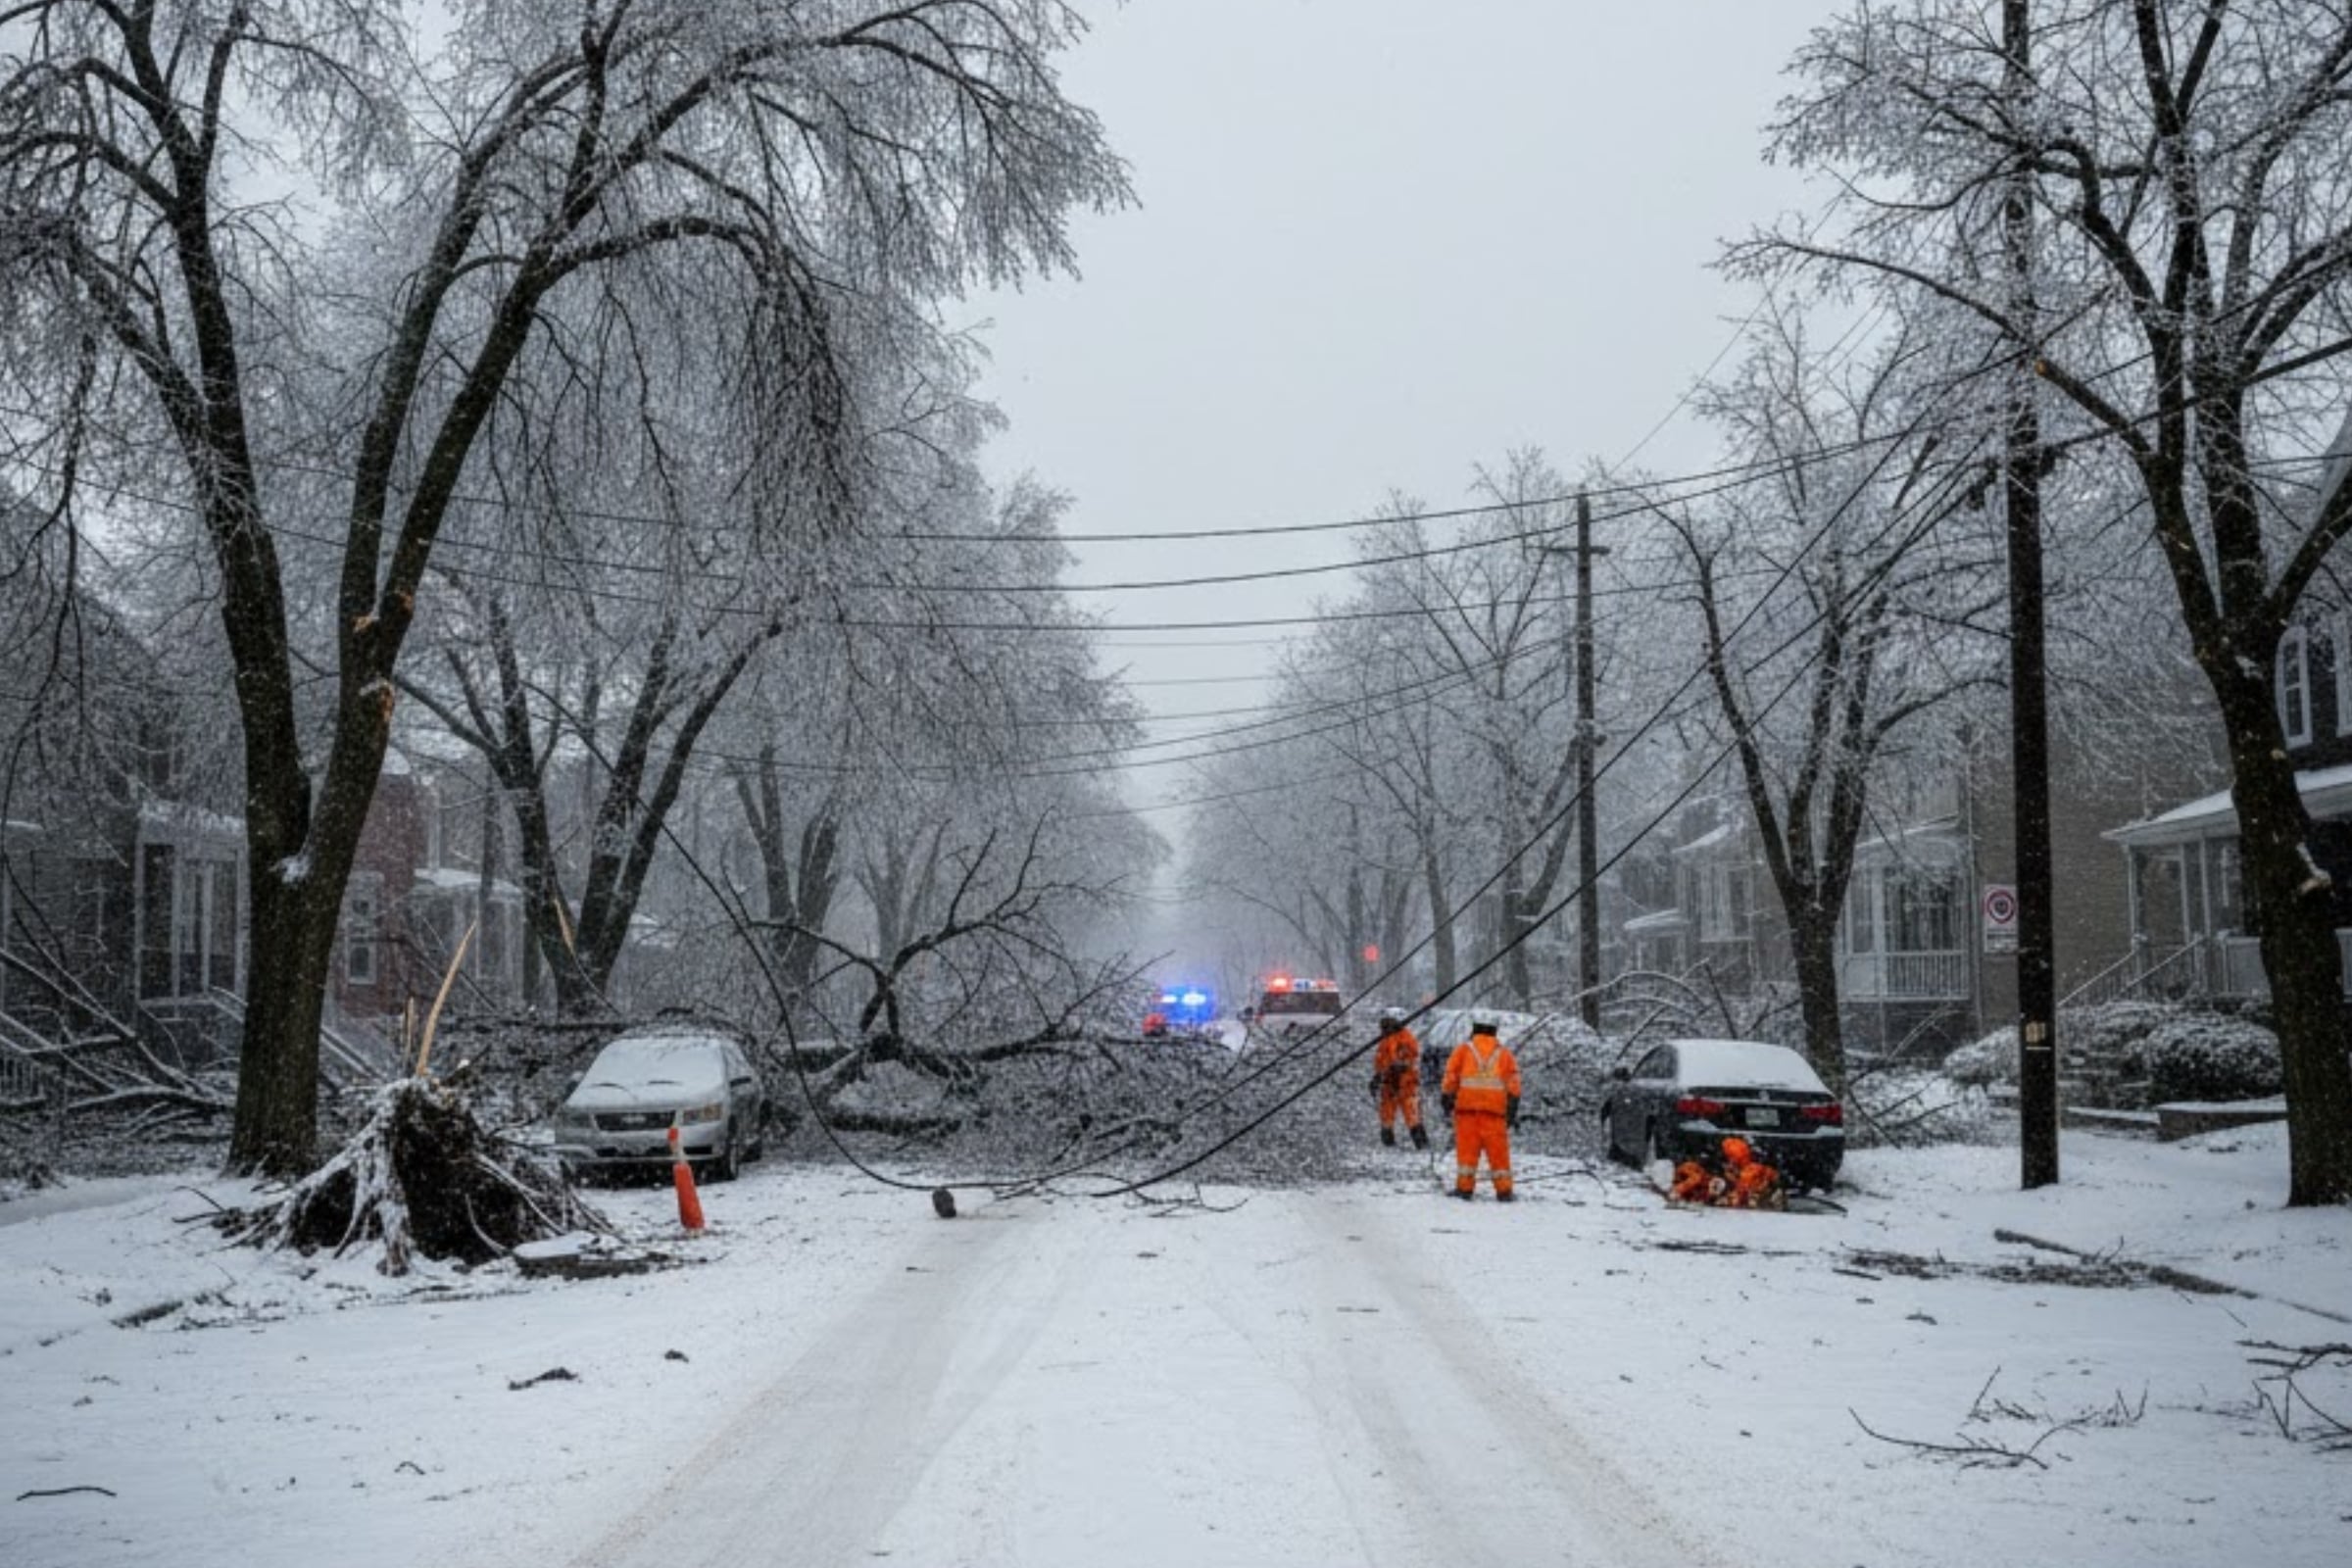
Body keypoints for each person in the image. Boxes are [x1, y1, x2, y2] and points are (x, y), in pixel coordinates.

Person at [1440, 1016, 1522, 1200]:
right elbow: (1514, 1085)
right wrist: (1512, 1110)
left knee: (1467, 1154)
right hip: (1495, 1114)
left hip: (1467, 1112)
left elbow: (1450, 1078)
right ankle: (1504, 1191)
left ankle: (1464, 1188)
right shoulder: (1505, 1055)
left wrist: (1447, 1100)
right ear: (1494, 1031)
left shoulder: (1462, 1051)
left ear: (1475, 1028)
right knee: (1499, 1155)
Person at [1368, 1008, 1428, 1149]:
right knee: (1386, 1115)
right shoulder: (1385, 1040)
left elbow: (1411, 1057)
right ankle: (1388, 1143)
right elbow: (1381, 1061)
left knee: (1412, 1115)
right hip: (1389, 1083)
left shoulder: (1405, 1037)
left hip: (1406, 1083)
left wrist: (1398, 1068)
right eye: (1383, 1022)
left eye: (1387, 1022)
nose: (1384, 1025)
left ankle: (1421, 1144)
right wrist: (1377, 1076)